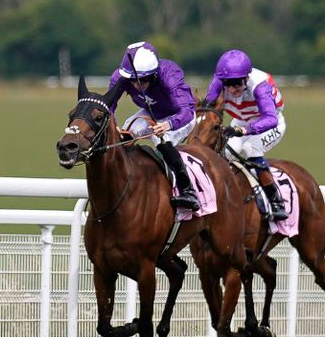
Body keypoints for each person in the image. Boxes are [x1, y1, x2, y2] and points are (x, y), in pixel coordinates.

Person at [107, 41, 199, 210]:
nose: (135, 85)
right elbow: (109, 106)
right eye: (132, 80)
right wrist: (113, 125)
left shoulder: (170, 74)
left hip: (178, 116)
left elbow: (186, 110)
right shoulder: (121, 76)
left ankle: (188, 191)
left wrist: (168, 124)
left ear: (154, 74)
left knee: (162, 140)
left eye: (142, 80)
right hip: (152, 112)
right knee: (125, 134)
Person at [202, 49, 287, 221]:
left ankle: (275, 199)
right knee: (226, 152)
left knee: (249, 148)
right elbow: (207, 106)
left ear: (246, 78)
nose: (232, 90)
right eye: (228, 84)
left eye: (237, 84)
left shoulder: (260, 86)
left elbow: (270, 119)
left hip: (270, 122)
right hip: (241, 119)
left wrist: (245, 130)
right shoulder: (219, 81)